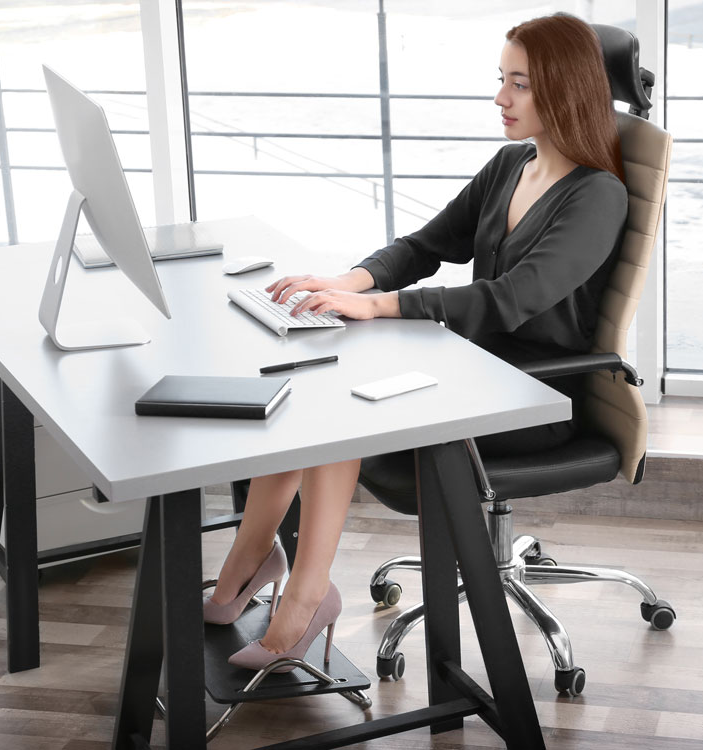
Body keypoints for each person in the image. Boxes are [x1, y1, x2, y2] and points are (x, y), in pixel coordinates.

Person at [206, 11, 629, 673]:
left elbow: (509, 299)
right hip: (473, 370)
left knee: (338, 410)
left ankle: (307, 600)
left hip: (533, 399)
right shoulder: (511, 165)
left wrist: (375, 307)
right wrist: (348, 280)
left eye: (519, 85)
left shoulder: (598, 196)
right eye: (501, 81)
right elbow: (426, 247)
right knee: (310, 381)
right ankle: (250, 562)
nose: (500, 99)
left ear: (564, 89)